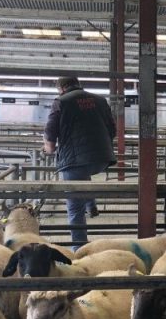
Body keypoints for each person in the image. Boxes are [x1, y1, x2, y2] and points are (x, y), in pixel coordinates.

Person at [43, 76, 116, 251]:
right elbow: (113, 130)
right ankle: (91, 205)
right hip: (101, 158)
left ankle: (79, 250)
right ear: (78, 84)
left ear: (60, 88)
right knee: (84, 175)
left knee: (75, 210)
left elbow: (50, 140)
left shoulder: (60, 102)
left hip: (75, 162)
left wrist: (47, 148)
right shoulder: (100, 100)